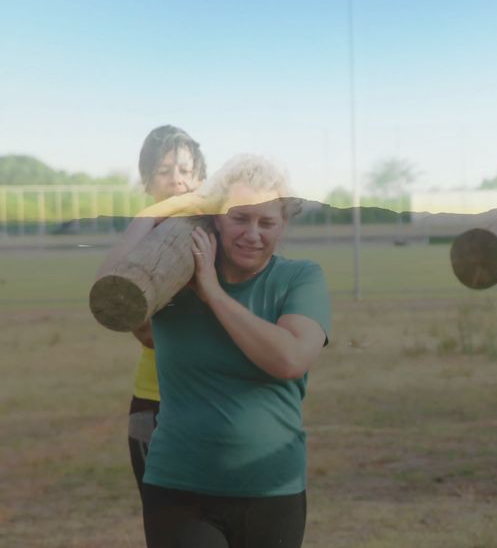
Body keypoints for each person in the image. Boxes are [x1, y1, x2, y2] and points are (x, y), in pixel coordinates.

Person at [108, 154, 331, 547]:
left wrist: (212, 293)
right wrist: (154, 214)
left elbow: (290, 359)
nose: (252, 234)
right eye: (238, 218)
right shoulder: (174, 284)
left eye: (266, 222)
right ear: (214, 217)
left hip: (273, 489)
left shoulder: (300, 278)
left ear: (283, 225)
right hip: (180, 489)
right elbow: (110, 297)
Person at [106, 125, 208, 495]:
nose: (176, 181)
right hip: (154, 398)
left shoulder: (219, 231)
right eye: (164, 172)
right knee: (164, 515)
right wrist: (148, 220)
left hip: (211, 397)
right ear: (147, 182)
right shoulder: (142, 235)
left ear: (200, 179)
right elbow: (142, 329)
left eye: (184, 171)